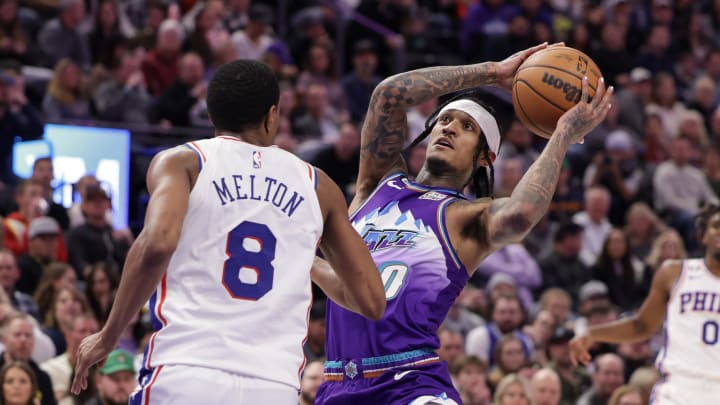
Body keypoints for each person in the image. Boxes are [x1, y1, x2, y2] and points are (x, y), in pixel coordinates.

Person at [314, 42, 614, 404]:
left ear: (485, 157)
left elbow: (522, 212)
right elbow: (389, 94)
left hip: (409, 381)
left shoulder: (469, 218)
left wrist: (562, 133)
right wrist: (493, 72)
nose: (450, 128)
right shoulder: (377, 184)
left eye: (467, 126)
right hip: (338, 382)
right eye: (443, 120)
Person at [70, 59, 386, 403]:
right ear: (272, 116)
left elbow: (158, 242)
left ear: (210, 116)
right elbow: (370, 300)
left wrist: (109, 334)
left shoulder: (184, 162)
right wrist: (302, 261)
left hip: (187, 370)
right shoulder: (318, 185)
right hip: (274, 386)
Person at [570, 204, 720, 405]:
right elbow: (643, 325)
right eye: (717, 225)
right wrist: (593, 333)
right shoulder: (675, 273)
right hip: (680, 388)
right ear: (703, 235)